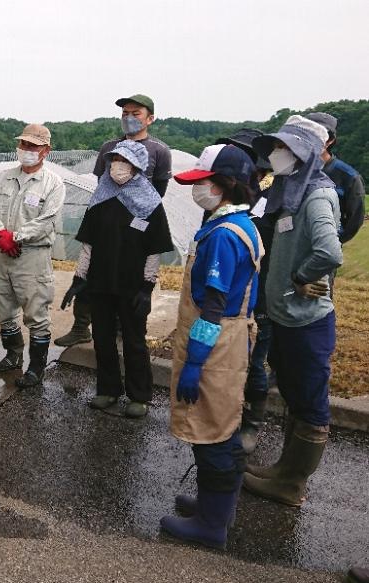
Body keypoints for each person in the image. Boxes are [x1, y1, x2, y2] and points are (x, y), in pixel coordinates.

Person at [159, 144, 263, 549]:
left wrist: (195, 362)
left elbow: (213, 309)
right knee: (221, 425)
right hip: (230, 337)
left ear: (224, 185)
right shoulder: (240, 223)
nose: (196, 190)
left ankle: (211, 525)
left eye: (202, 183)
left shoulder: (223, 235)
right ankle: (215, 505)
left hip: (216, 343)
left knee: (213, 431)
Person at [243, 115, 343, 507]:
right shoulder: (290, 189)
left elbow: (329, 251)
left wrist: (302, 276)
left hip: (306, 321)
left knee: (310, 402)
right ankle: (284, 468)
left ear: (304, 152)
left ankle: (291, 483)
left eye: (284, 148)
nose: (277, 155)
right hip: (286, 315)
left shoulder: (316, 195)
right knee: (295, 394)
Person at [62, 140, 172, 418]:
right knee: (103, 337)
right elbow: (88, 243)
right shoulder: (101, 196)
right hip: (100, 282)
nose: (116, 167)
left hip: (132, 284)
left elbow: (154, 250)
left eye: (123, 162)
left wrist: (148, 286)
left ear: (136, 167)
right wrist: (79, 277)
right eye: (113, 161)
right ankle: (108, 389)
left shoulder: (150, 202)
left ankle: (139, 395)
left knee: (134, 341)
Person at [55, 94, 172, 348]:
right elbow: (102, 184)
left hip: (136, 223)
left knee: (129, 279)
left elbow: (159, 190)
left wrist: (137, 209)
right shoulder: (109, 147)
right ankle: (80, 327)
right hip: (107, 217)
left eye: (136, 113)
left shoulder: (159, 151)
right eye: (125, 114)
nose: (129, 118)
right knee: (91, 272)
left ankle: (122, 329)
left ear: (150, 118)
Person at [0, 124, 65, 388]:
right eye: (23, 145)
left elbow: (47, 220)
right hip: (4, 253)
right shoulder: (4, 178)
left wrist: (15, 237)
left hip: (32, 256)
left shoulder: (52, 184)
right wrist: (1, 235)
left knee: (36, 311)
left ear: (45, 151)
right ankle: (13, 355)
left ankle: (36, 368)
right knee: (1, 305)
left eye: (33, 146)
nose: (26, 150)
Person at [214, 129, 276, 453]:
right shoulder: (226, 193)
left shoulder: (271, 195)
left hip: (259, 292)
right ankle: (225, 415)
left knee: (254, 360)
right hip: (226, 292)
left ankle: (252, 421)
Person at [305, 112, 366, 244]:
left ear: (330, 140)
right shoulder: (293, 170)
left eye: (318, 136)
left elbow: (355, 219)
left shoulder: (349, 177)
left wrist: (334, 242)